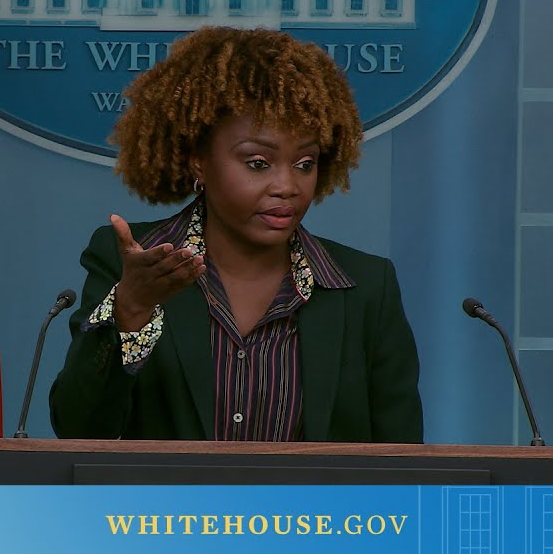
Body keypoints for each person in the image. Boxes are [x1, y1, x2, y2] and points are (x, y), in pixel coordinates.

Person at [49, 27, 424, 442]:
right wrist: (130, 312)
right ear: (198, 159)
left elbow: (401, 461)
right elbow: (78, 430)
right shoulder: (129, 262)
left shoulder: (367, 288)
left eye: (304, 163)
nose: (288, 185)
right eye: (259, 162)